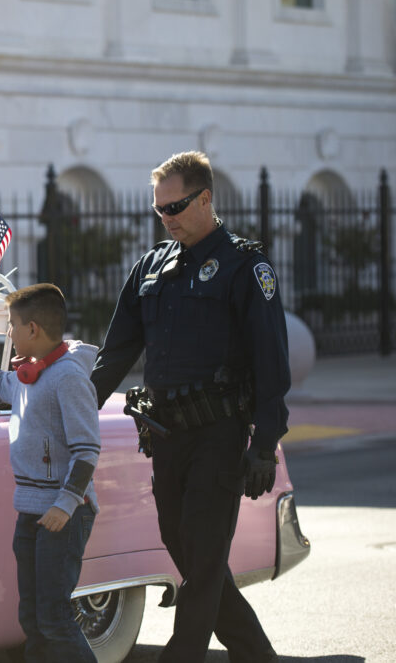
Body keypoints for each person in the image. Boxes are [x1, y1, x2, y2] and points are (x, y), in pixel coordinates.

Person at [89, 151, 289, 663]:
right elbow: (116, 352)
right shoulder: (152, 267)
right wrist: (79, 405)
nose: (167, 218)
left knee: (201, 557)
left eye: (175, 207)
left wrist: (264, 444)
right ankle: (256, 655)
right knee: (184, 549)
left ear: (205, 198)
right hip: (165, 435)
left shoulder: (247, 266)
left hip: (219, 434)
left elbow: (271, 361)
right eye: (159, 210)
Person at [0, 283, 100, 662]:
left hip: (60, 515)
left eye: (12, 325)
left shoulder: (68, 377)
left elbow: (87, 450)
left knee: (54, 618)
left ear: (33, 329)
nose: (8, 334)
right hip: (31, 511)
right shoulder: (32, 374)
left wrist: (65, 505)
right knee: (32, 618)